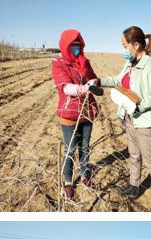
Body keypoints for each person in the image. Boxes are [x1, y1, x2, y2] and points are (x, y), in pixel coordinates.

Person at [94, 26, 151, 212]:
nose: (123, 49)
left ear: (136, 45)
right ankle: (134, 187)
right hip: (129, 119)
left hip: (145, 122)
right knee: (134, 155)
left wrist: (138, 106)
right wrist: (99, 81)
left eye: (125, 45)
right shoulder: (130, 64)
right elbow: (118, 81)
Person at [52, 29, 102, 200]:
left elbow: (94, 78)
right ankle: (67, 181)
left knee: (85, 146)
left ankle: (85, 174)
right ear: (65, 46)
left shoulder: (84, 61)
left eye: (79, 46)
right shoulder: (58, 63)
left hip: (86, 111)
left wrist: (93, 83)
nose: (77, 49)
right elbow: (65, 87)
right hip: (69, 112)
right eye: (73, 46)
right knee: (70, 149)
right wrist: (85, 88)